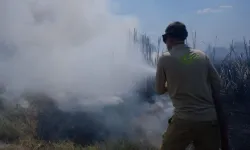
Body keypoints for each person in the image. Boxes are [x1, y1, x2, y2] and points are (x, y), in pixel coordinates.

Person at [155, 21, 222, 150]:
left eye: (165, 40)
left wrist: (171, 84)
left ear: (170, 38)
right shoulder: (202, 56)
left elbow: (159, 90)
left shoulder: (165, 59)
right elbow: (218, 84)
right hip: (209, 121)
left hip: (183, 121)